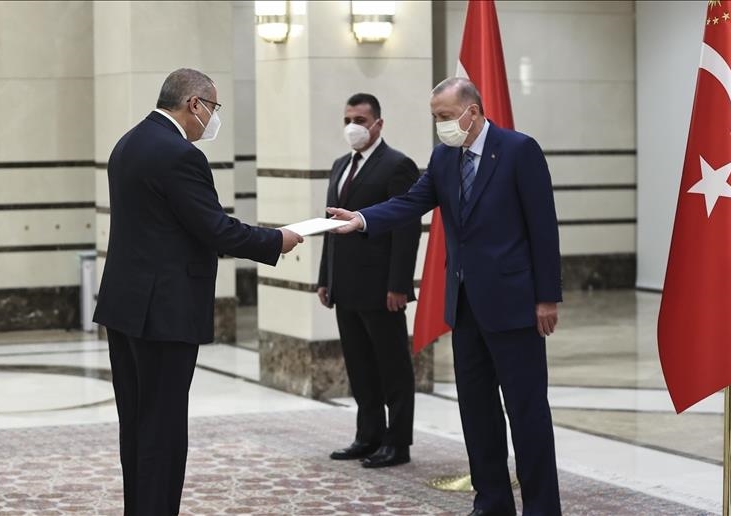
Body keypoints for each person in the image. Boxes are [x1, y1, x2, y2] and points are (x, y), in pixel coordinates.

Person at [329, 77, 562, 516]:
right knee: (476, 412)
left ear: (472, 111)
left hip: (514, 305)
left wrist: (547, 297)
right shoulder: (443, 157)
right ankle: (491, 502)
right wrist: (362, 219)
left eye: (446, 116)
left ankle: (542, 508)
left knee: (526, 412)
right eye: (435, 117)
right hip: (465, 305)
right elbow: (409, 202)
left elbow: (543, 227)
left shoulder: (519, 150)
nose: (440, 125)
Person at [93, 68, 303, 515]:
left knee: (137, 424)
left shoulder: (129, 142)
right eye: (213, 107)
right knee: (164, 429)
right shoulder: (180, 155)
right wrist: (276, 240)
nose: (213, 118)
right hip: (163, 312)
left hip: (125, 306)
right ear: (194, 104)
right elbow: (215, 228)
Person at [317, 93, 421, 469]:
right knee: (360, 367)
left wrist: (399, 285)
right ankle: (368, 435)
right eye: (348, 119)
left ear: (378, 123)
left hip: (381, 289)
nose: (353, 127)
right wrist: (325, 277)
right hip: (345, 287)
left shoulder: (397, 165)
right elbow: (331, 226)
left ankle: (398, 442)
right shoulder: (340, 165)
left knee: (392, 368)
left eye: (360, 120)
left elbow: (406, 228)